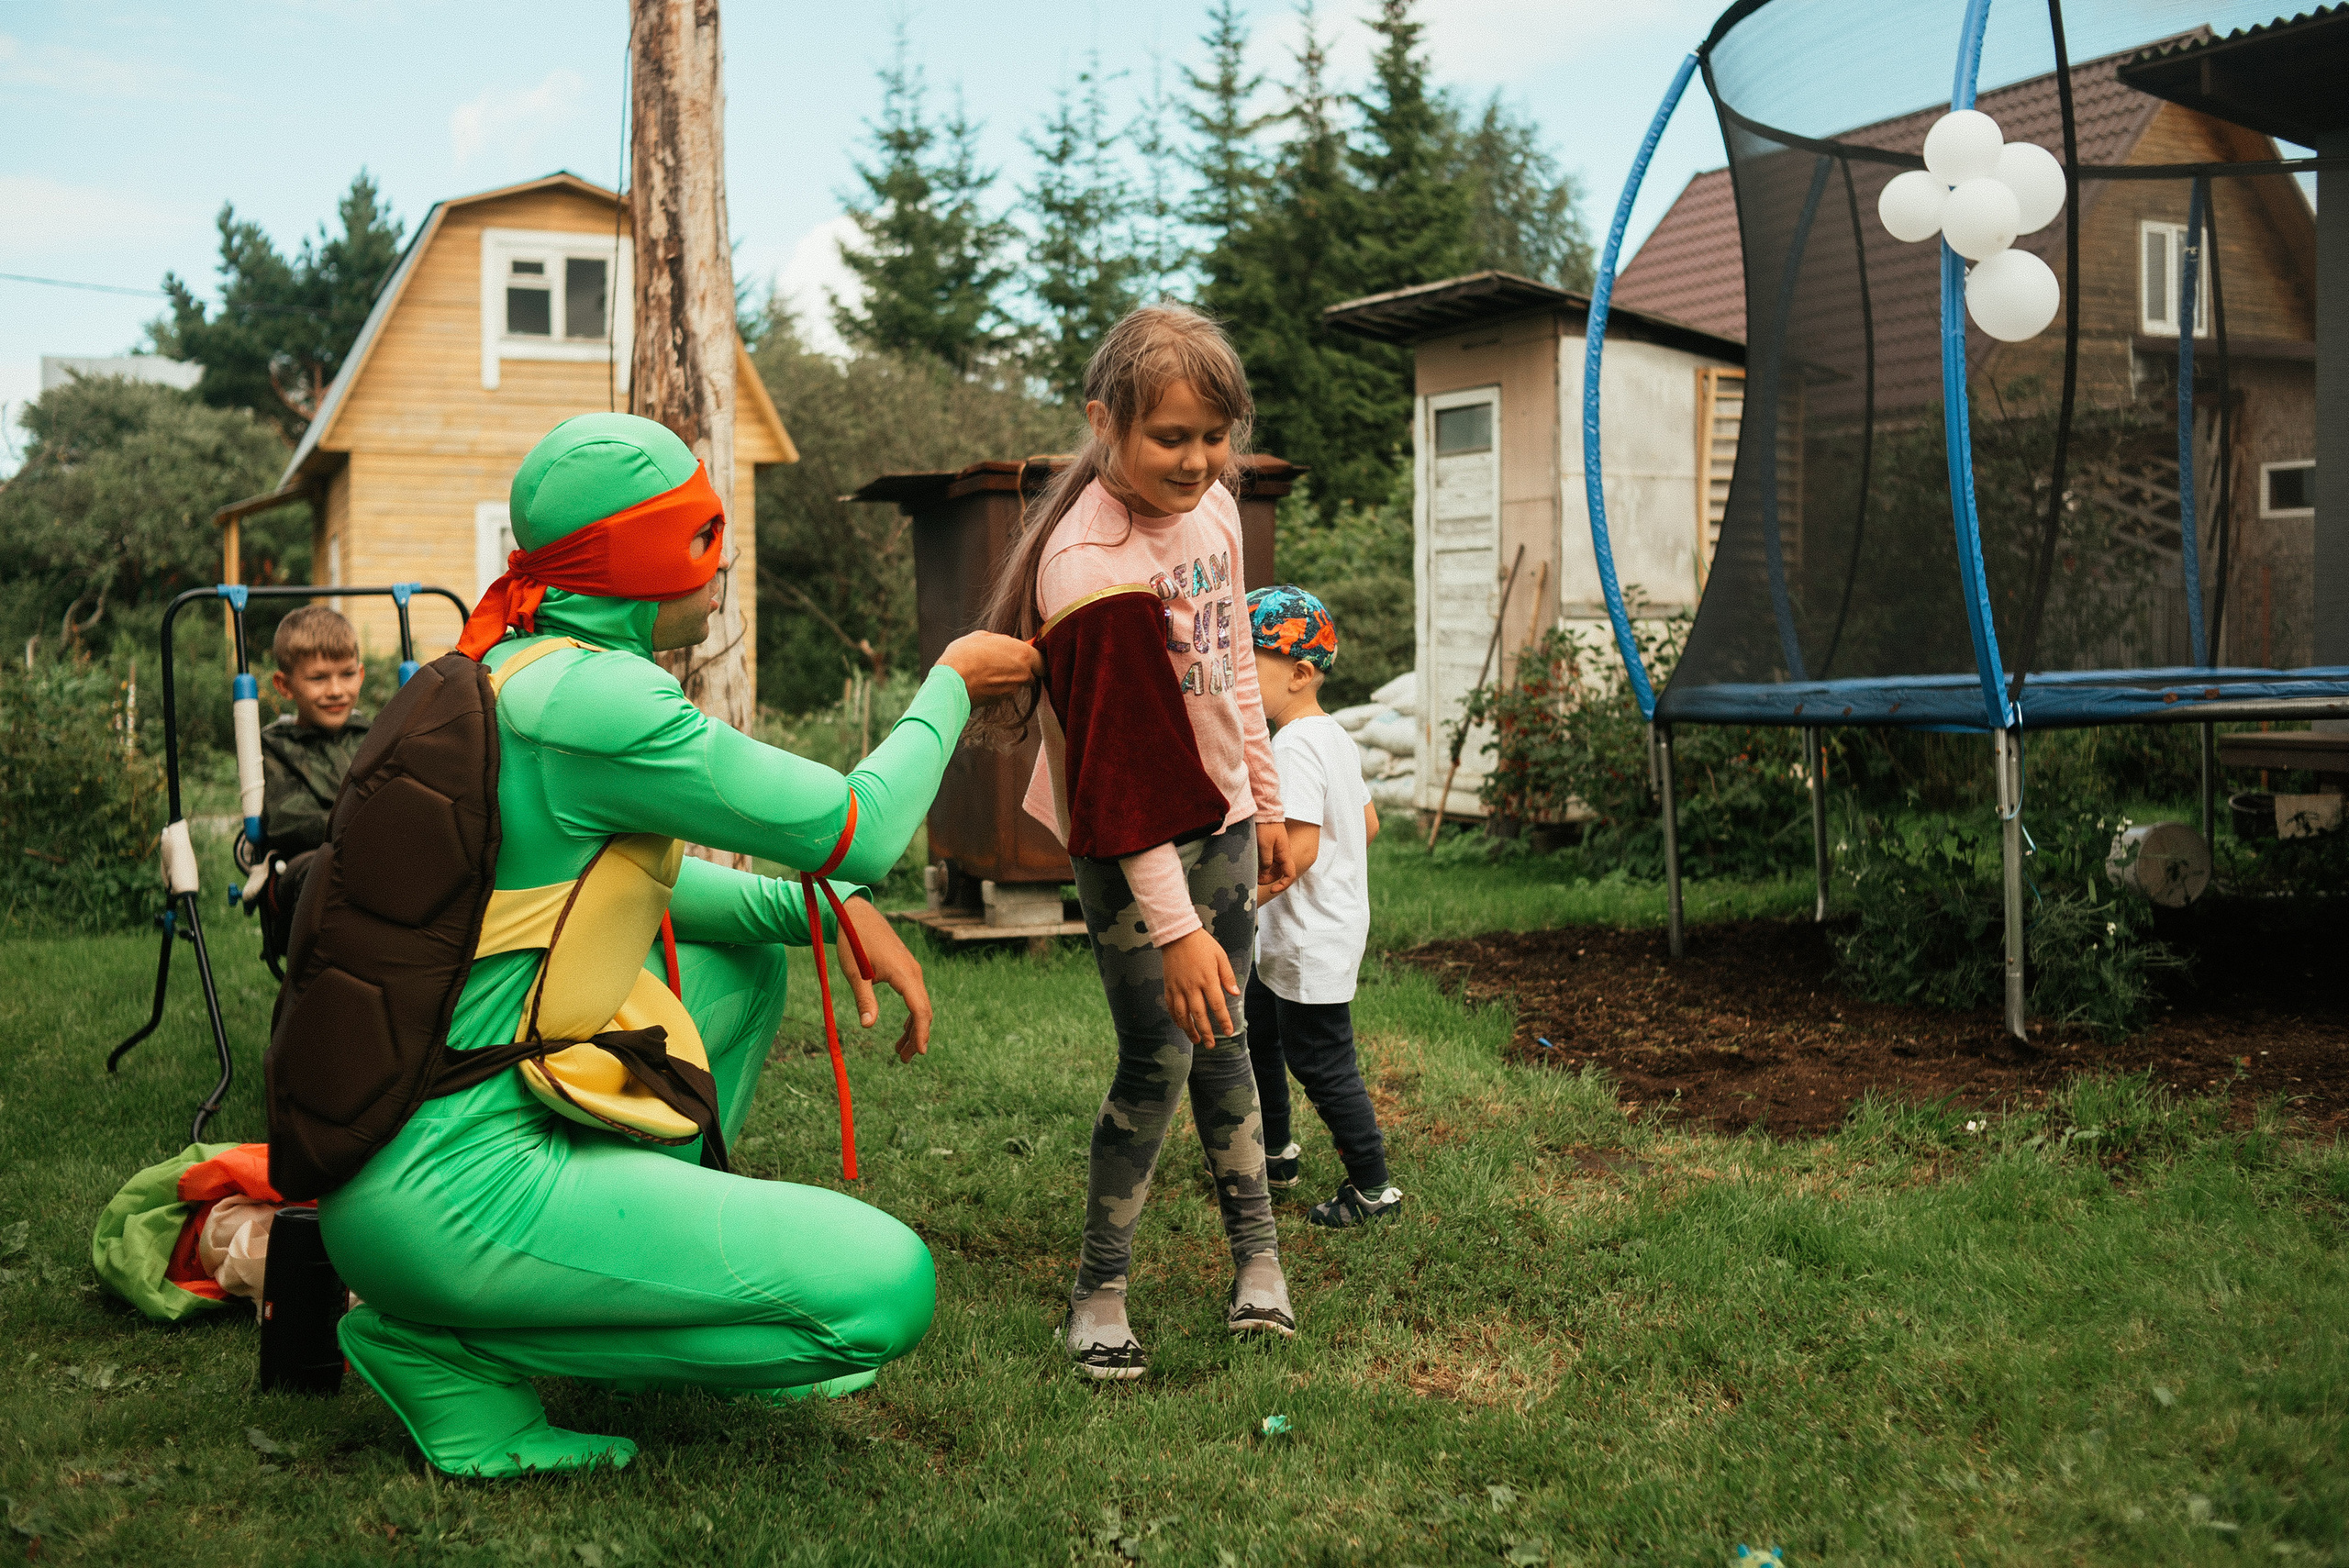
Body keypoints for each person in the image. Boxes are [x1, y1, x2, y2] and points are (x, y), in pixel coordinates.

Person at [317, 413, 1041, 1476]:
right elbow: (861, 825)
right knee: (885, 1288)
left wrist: (825, 914)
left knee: (734, 968)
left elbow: (635, 888)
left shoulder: (518, 667)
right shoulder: (600, 699)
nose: (724, 564)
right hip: (452, 1191)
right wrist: (951, 683)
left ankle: (588, 1275)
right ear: (636, 562)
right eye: (703, 540)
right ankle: (444, 1342)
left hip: (412, 1149)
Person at [972, 305, 1297, 1381]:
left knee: (1229, 1037)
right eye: (1172, 437)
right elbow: (1117, 780)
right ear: (1104, 423)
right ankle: (1099, 1286)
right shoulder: (1089, 564)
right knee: (1160, 1049)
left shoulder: (1209, 516)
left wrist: (1268, 799)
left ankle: (1259, 1260)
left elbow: (1236, 671)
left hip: (1221, 817)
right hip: (1126, 843)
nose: (1199, 460)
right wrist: (1177, 928)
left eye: (1216, 434)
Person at [1243, 586, 1401, 1229]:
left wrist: (1239, 898)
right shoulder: (1333, 736)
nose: (1237, 683)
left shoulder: (1293, 747)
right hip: (1311, 931)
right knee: (1259, 1030)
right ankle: (1275, 1152)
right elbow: (1366, 825)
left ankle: (1372, 1188)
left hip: (1307, 939)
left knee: (1320, 1060)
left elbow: (1296, 853)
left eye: (1248, 667)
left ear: (1300, 673)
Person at [259, 605, 368, 853]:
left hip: (377, 854)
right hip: (310, 861)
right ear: (284, 686)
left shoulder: (374, 737)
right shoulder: (276, 746)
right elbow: (287, 821)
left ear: (360, 676)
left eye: (347, 674)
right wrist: (368, 825)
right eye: (318, 678)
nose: (336, 691)